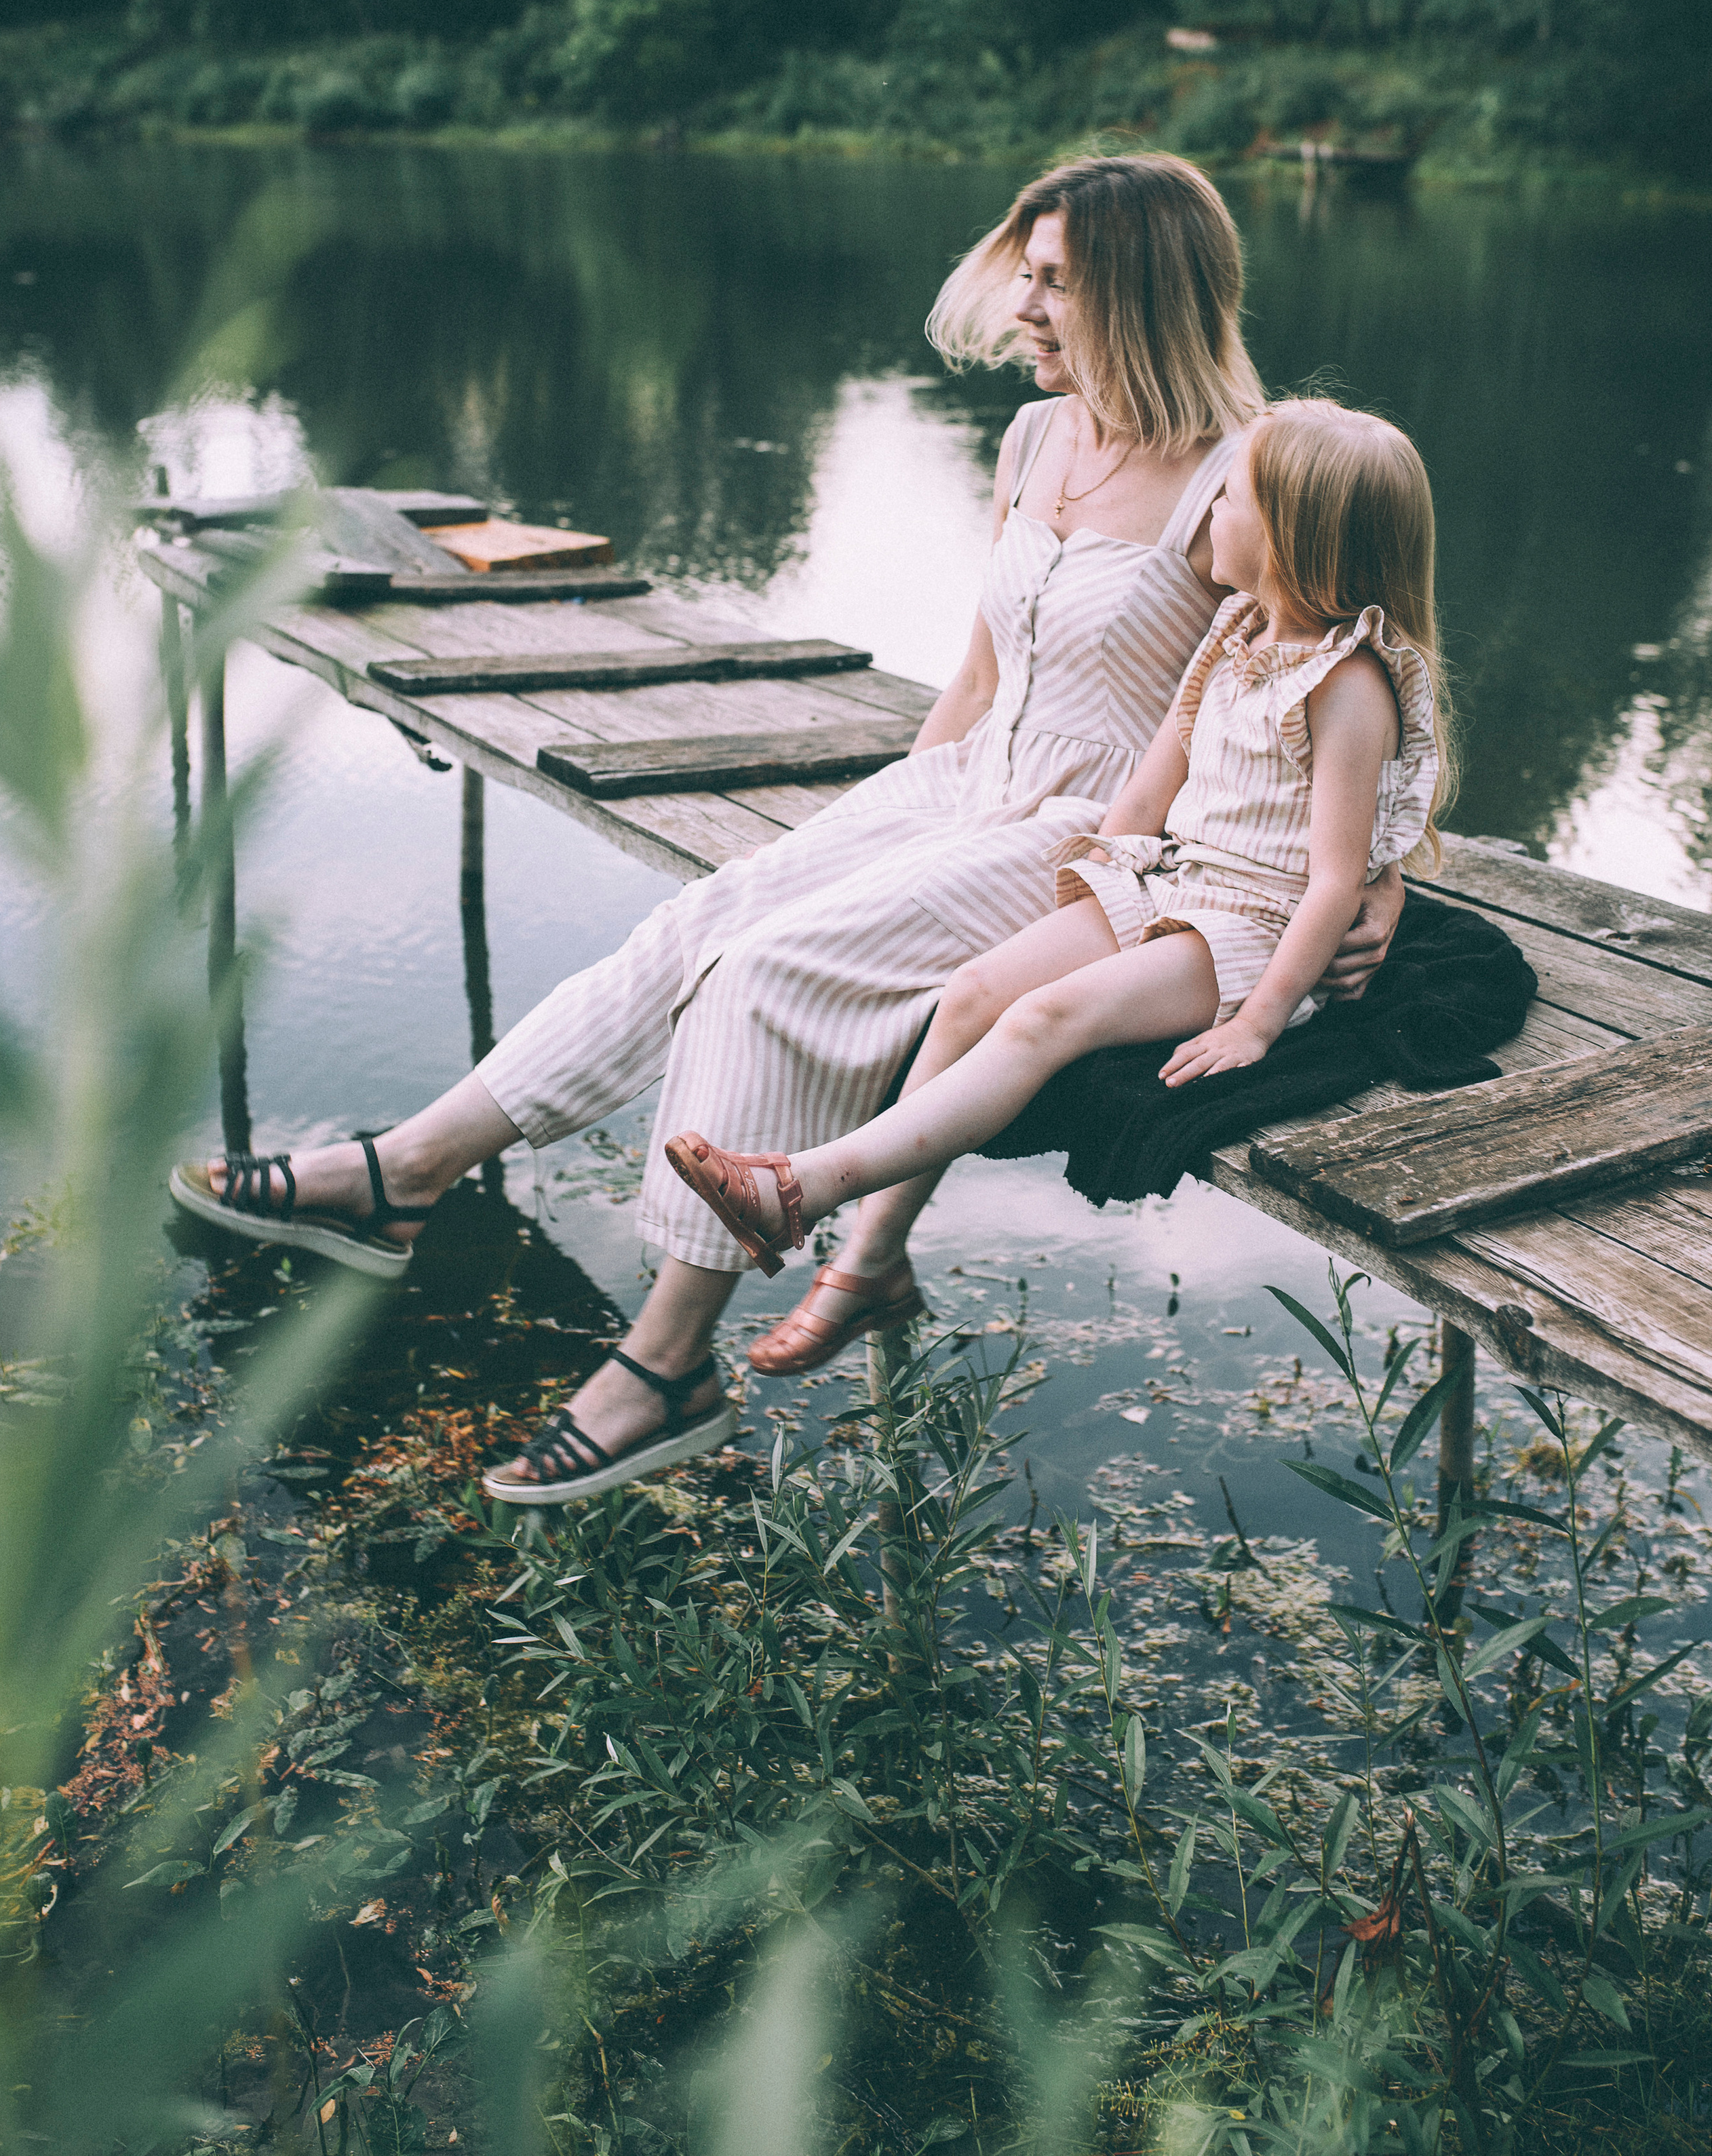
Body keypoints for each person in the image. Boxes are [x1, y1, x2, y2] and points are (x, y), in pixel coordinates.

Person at [169, 161, 1405, 1508]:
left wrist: (1386, 873)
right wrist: (880, 820)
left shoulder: (1251, 470)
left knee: (769, 976)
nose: (1024, 307)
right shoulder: (1032, 440)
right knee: (702, 921)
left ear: (1143, 296)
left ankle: (665, 1366)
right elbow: (983, 673)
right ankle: (405, 1174)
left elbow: (1373, 659)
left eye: (1055, 282)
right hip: (966, 776)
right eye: (1027, 273)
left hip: (1091, 833)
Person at [667, 401, 1450, 1306]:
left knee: (1043, 1021)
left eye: (1230, 499)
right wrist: (1097, 896)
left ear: (1292, 537)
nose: (1206, 515)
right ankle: (869, 1248)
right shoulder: (1233, 631)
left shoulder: (1348, 685)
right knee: (972, 992)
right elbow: (1150, 792)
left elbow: (1332, 878)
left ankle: (802, 1188)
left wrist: (1259, 1023)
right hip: (1176, 881)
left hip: (1254, 930)